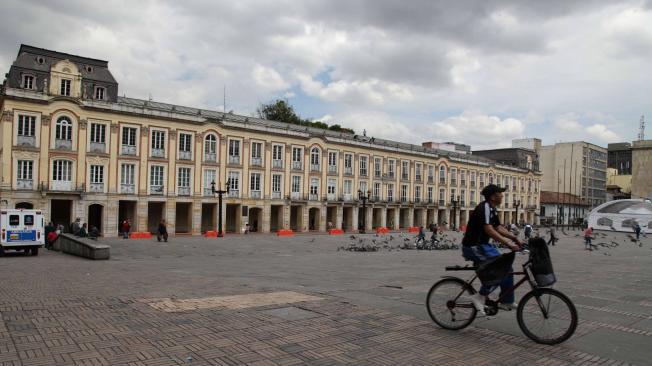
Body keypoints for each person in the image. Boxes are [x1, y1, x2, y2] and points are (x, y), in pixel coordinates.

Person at [462, 184, 522, 316]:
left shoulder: (492, 209)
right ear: (493, 196)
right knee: (497, 269)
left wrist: (514, 238)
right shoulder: (484, 208)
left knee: (507, 268)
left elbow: (498, 227)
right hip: (473, 247)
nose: (502, 195)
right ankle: (479, 297)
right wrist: (508, 243)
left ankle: (507, 300)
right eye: (500, 193)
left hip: (484, 246)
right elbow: (488, 229)